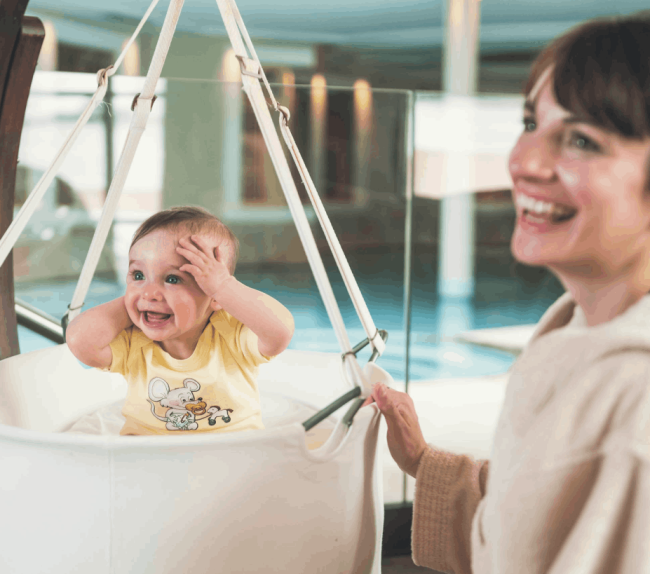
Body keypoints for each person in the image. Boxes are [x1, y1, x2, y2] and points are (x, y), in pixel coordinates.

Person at [364, 12, 650, 574]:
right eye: (529, 122)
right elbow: (541, 515)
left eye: (580, 139)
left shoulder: (634, 399)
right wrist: (425, 462)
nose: (523, 163)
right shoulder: (576, 330)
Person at [66, 206, 295, 436]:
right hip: (148, 455)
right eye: (138, 275)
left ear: (214, 295)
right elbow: (80, 341)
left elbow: (279, 333)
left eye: (173, 278)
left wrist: (224, 287)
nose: (150, 293)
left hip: (229, 451)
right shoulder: (134, 342)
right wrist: (133, 301)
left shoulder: (231, 334)